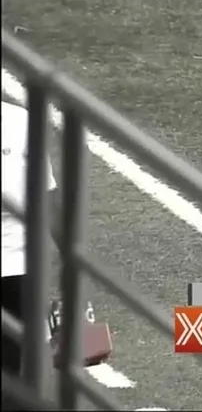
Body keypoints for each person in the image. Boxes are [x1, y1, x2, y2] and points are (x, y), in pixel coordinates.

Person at [1, 99, 111, 384]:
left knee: (11, 365)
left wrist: (71, 259)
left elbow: (47, 198)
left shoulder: (21, 121)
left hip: (18, 266)